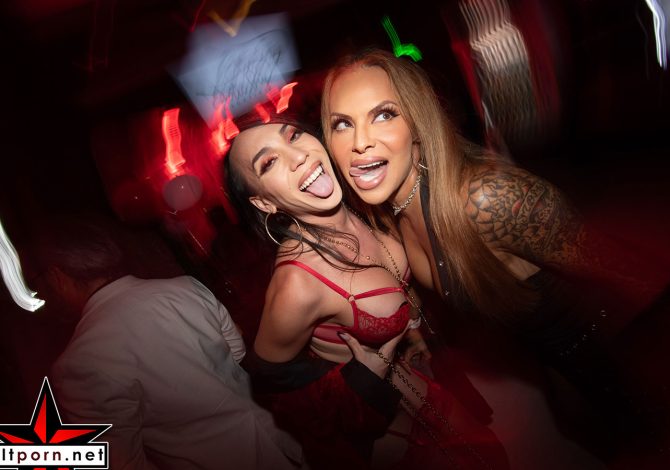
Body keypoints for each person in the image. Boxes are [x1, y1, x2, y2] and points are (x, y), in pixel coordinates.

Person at [321, 48, 669, 465]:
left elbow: (625, 270)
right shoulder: (390, 210)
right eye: (342, 124)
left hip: (608, 357)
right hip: (551, 368)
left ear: (418, 123)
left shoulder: (485, 199)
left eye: (383, 115)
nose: (359, 142)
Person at [223, 114, 510, 469]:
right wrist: (360, 380)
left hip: (426, 370)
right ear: (264, 203)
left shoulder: (364, 199)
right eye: (269, 162)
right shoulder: (298, 283)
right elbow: (269, 382)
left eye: (294, 136)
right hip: (393, 425)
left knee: (493, 454)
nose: (298, 156)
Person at [26, 214, 304, 470]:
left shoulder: (78, 364)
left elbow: (123, 464)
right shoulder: (187, 288)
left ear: (57, 277)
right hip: (280, 444)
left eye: (39, 284)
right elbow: (239, 355)